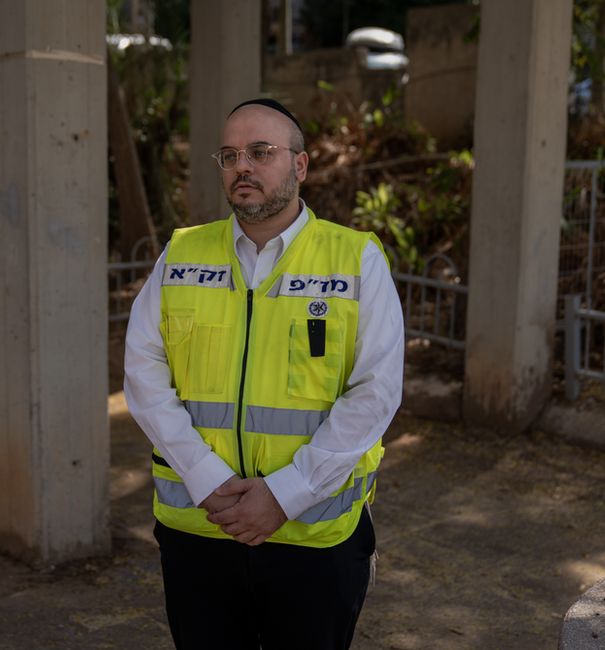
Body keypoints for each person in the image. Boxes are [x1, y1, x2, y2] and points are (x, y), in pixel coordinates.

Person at [123, 98, 404, 650]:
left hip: (314, 537)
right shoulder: (181, 255)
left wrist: (285, 494)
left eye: (260, 152)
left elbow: (376, 391)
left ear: (299, 166)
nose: (241, 166)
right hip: (202, 530)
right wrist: (204, 477)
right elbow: (143, 370)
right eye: (229, 155)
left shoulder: (355, 260)